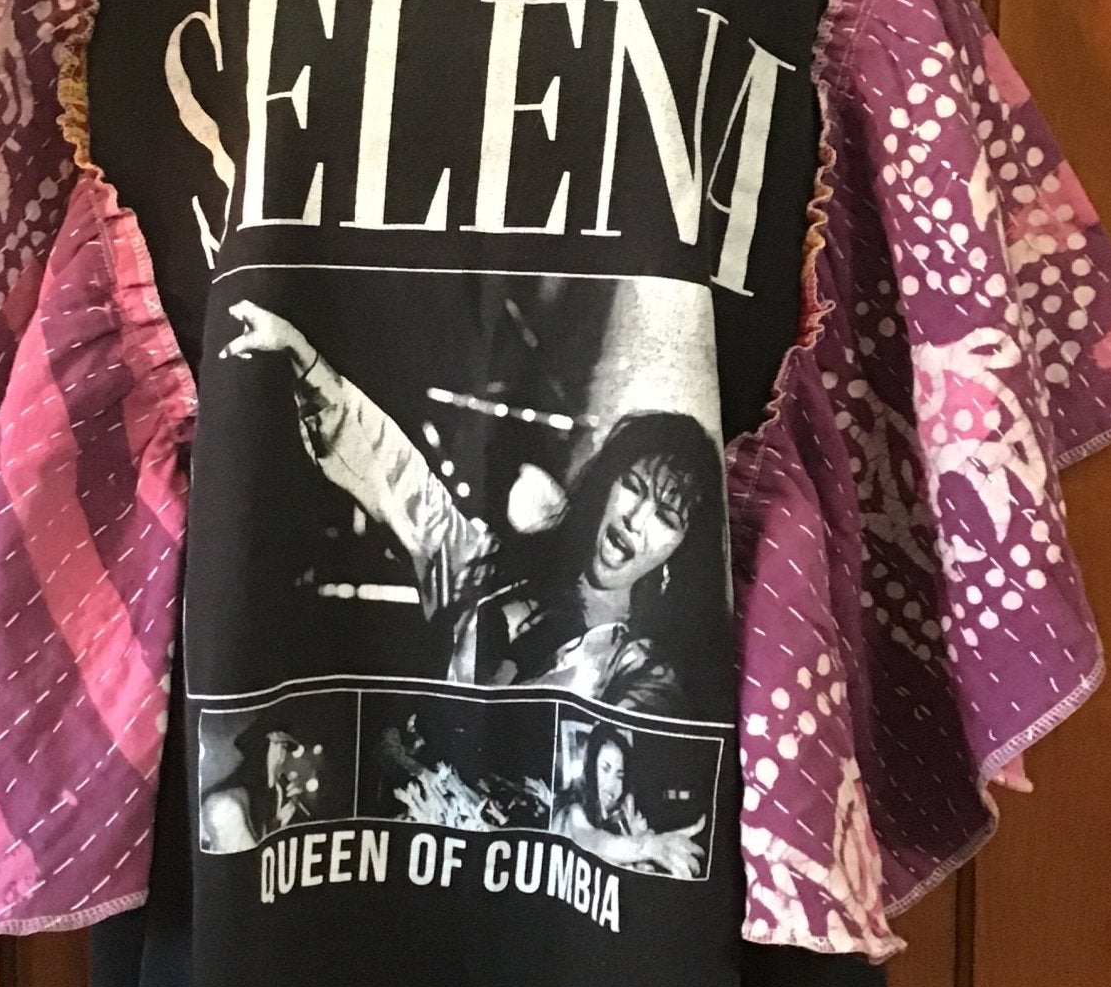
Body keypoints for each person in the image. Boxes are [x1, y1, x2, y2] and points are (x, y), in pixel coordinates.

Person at [220, 298, 726, 715]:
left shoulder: (644, 671)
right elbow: (398, 475)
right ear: (607, 484)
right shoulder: (489, 568)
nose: (636, 520)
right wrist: (303, 355)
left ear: (681, 549)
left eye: (667, 517)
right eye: (633, 487)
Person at [553, 721, 706, 879]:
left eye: (619, 776)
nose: (613, 784)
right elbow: (593, 841)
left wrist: (639, 858)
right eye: (605, 769)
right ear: (589, 770)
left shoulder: (608, 819)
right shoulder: (573, 812)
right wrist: (650, 846)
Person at [199, 726, 315, 853]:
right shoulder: (228, 802)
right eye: (278, 747)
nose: (281, 757)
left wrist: (279, 821)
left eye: (284, 749)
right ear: (261, 750)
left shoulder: (278, 789)